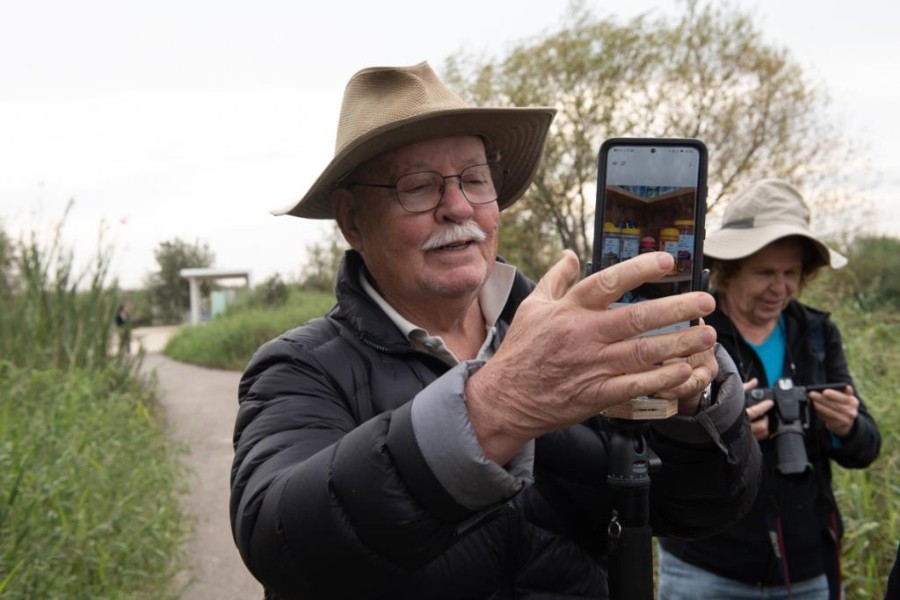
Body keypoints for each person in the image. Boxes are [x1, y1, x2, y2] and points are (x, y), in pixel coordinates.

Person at [229, 61, 760, 599]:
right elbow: (280, 541)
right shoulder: (300, 367)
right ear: (351, 219)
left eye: (475, 179)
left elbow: (701, 509)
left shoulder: (577, 334)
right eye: (418, 187)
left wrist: (692, 412)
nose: (458, 207)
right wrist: (496, 403)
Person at [657, 179, 882, 599]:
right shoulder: (692, 331)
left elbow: (866, 448)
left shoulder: (815, 333)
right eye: (765, 273)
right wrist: (725, 429)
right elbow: (655, 445)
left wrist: (847, 425)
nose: (780, 288)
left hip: (806, 566)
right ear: (729, 269)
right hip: (705, 566)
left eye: (790, 273)